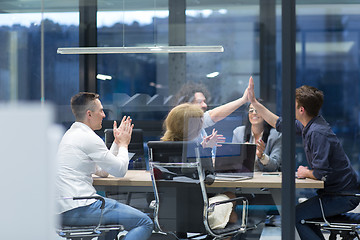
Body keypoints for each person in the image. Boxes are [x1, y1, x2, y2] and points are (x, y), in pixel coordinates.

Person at [246, 77, 359, 240]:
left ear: (301, 110)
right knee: (299, 215)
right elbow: (279, 123)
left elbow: (320, 173)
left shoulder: (317, 132)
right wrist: (255, 103)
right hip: (337, 194)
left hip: (342, 196)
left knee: (295, 215)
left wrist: (306, 172)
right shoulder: (310, 125)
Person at [56, 92, 153, 240]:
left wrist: (116, 141)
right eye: (101, 111)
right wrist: (124, 144)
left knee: (112, 225)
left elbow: (103, 171)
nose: (104, 115)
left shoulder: (71, 135)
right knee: (144, 222)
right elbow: (120, 171)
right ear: (89, 114)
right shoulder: (88, 138)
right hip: (81, 208)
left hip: (64, 209)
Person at [161, 103, 238, 231]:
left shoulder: (161, 148)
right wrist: (206, 150)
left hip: (167, 212)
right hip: (197, 212)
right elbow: (209, 179)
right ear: (192, 127)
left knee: (231, 217)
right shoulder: (196, 150)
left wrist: (202, 148)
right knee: (231, 199)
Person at [232, 100, 282, 172]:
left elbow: (274, 166)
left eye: (258, 110)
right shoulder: (238, 133)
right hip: (243, 177)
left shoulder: (276, 135)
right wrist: (242, 155)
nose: (254, 113)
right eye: (251, 110)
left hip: (266, 180)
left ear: (265, 113)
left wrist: (261, 156)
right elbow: (232, 163)